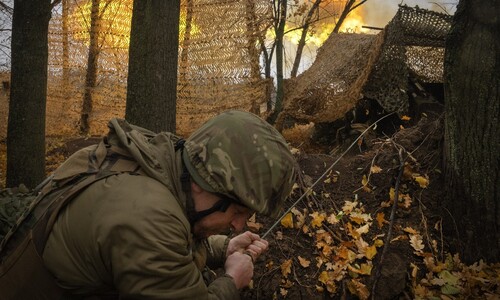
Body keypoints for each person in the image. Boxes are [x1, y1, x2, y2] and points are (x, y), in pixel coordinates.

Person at [0, 110, 296, 299]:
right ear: (203, 184)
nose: (239, 225)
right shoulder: (149, 218)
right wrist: (232, 281)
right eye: (239, 211)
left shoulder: (153, 159)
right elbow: (156, 237)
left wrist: (223, 249)